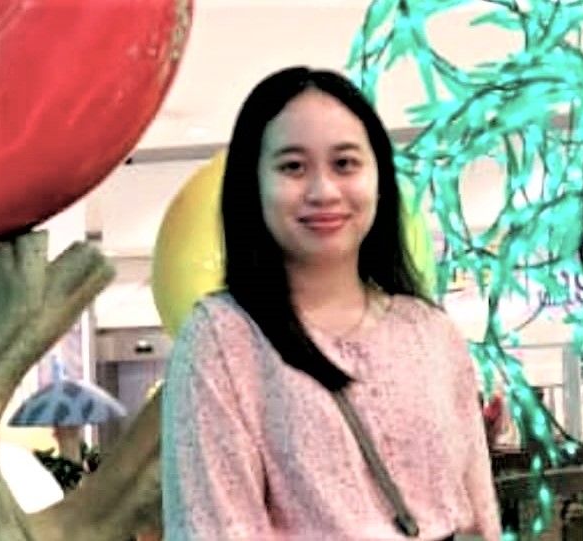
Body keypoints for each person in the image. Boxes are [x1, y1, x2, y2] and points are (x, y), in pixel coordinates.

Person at [161, 66, 502, 541]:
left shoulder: (430, 331)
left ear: (379, 178)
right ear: (252, 183)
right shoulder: (223, 338)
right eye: (292, 167)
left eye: (345, 164)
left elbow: (477, 513)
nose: (323, 191)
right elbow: (214, 528)